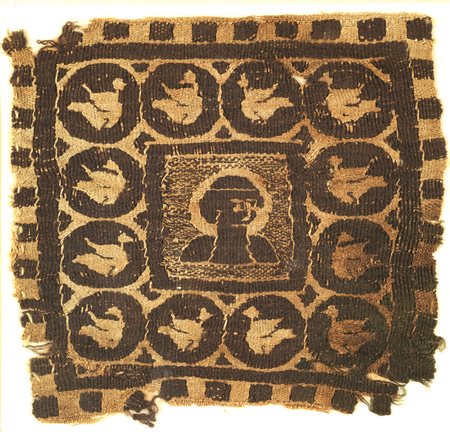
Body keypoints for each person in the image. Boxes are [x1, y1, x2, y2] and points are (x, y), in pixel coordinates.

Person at [181, 175, 277, 264]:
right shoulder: (198, 246)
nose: (248, 209)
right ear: (221, 208)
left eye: (251, 203)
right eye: (241, 205)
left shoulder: (261, 246)